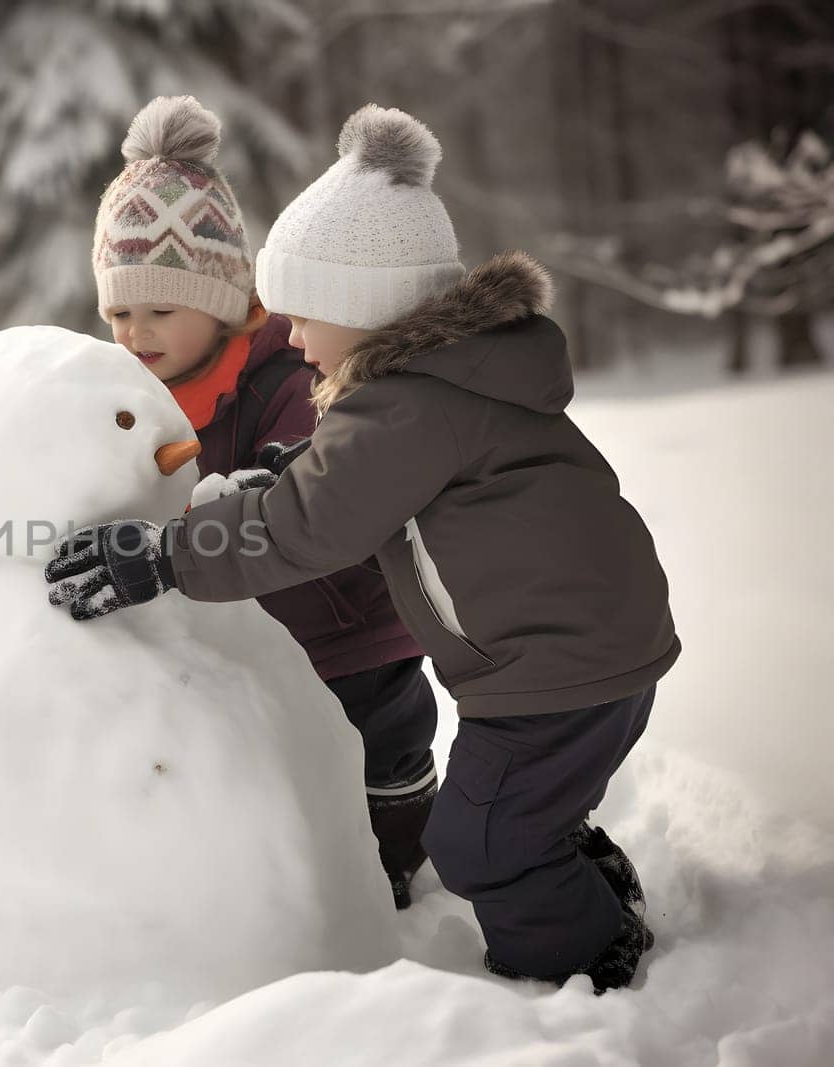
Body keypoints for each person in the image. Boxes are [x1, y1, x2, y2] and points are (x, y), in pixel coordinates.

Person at [48, 104, 677, 992]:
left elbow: (309, 524)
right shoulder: (440, 384)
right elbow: (362, 472)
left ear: (366, 308)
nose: (292, 334)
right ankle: (567, 864)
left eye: (307, 315)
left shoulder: (406, 407)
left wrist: (165, 556)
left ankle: (585, 955)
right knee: (508, 815)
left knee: (475, 842)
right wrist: (296, 465)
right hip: (595, 643)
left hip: (555, 667)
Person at [91, 95, 438, 906]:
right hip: (247, 628)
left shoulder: (289, 381)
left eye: (159, 310)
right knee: (280, 771)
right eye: (119, 312)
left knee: (381, 757)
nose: (136, 333)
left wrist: (251, 489)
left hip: (352, 625)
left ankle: (402, 854)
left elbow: (314, 490)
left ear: (216, 300)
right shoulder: (130, 394)